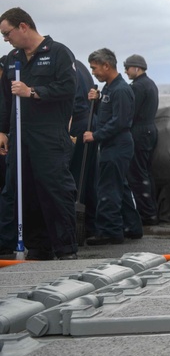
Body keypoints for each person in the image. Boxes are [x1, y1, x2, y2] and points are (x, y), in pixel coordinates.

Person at [0, 7, 79, 260]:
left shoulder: (58, 53)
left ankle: (65, 249)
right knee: (22, 190)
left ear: (23, 26)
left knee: (54, 190)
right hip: (19, 134)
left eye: (7, 33)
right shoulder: (12, 57)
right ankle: (39, 247)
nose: (5, 39)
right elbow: (5, 99)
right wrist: (3, 130)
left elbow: (68, 88)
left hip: (49, 135)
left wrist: (33, 92)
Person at [83, 49, 143, 245]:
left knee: (108, 188)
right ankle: (132, 227)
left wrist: (96, 135)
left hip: (118, 145)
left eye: (95, 68)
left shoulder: (121, 90)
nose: (93, 72)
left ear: (106, 66)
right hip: (112, 145)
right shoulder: (109, 89)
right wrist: (98, 101)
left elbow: (121, 122)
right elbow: (109, 114)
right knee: (120, 187)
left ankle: (110, 231)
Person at [123, 54, 160, 225]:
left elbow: (130, 112)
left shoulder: (137, 87)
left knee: (137, 175)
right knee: (146, 173)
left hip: (139, 132)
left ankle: (146, 214)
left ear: (137, 68)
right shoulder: (150, 84)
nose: (126, 71)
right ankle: (152, 211)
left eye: (128, 68)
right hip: (150, 130)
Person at [69, 59, 98, 239]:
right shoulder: (80, 66)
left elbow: (72, 104)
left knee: (76, 179)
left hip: (79, 124)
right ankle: (91, 226)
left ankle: (78, 228)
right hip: (90, 121)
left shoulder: (67, 68)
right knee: (89, 178)